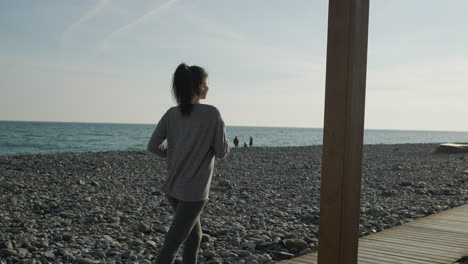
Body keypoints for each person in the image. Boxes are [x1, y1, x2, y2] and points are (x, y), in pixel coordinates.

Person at [147, 63, 229, 264]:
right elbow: (221, 152)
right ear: (200, 86)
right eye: (207, 83)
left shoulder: (171, 113)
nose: (208, 87)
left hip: (173, 189)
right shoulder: (212, 113)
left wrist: (176, 153)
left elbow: (153, 146)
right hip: (194, 193)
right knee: (171, 246)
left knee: (194, 237)